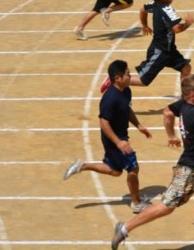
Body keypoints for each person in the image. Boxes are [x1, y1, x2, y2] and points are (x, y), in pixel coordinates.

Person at [110, 75, 194, 250]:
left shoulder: (182, 105)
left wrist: (171, 135)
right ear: (192, 95)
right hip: (190, 169)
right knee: (166, 207)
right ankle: (125, 228)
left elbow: (167, 112)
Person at [63, 60, 153, 214]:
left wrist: (138, 125)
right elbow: (103, 122)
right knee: (133, 168)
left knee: (115, 171)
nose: (130, 76)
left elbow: (127, 109)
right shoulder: (110, 98)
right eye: (127, 74)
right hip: (114, 138)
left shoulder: (126, 91)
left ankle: (82, 166)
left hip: (120, 136)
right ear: (117, 78)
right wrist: (118, 142)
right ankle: (136, 203)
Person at [101, 0, 194, 93]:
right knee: (144, 80)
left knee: (186, 68)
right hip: (160, 51)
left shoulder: (154, 4)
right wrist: (187, 23)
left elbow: (143, 9)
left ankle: (185, 99)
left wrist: (144, 25)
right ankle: (114, 81)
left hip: (170, 50)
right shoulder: (167, 10)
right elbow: (177, 29)